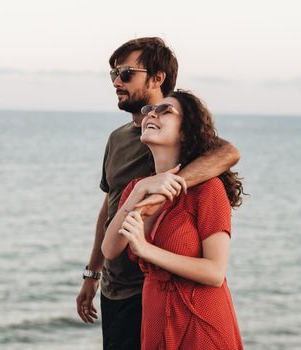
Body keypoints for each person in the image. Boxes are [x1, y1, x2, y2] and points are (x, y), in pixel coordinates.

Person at [76, 37, 241, 349]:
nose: (116, 82)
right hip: (117, 289)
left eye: (126, 73)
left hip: (161, 290)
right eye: (113, 74)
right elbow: (109, 207)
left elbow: (228, 152)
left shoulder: (181, 132)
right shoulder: (120, 139)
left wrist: (159, 196)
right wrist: (92, 272)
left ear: (157, 77)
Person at [102, 89, 244, 349]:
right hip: (155, 317)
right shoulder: (137, 187)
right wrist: (137, 192)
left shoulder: (208, 189)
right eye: (150, 110)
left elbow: (214, 272)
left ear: (186, 131)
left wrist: (145, 249)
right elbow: (110, 249)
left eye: (166, 110)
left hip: (200, 320)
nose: (151, 113)